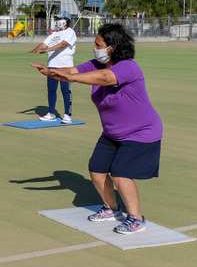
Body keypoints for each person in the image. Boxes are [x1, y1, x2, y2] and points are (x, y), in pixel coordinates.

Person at [32, 23, 162, 235]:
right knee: (97, 170)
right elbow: (72, 70)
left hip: (141, 131)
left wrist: (70, 78)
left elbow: (104, 79)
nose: (95, 47)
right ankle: (111, 209)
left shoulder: (128, 67)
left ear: (112, 47)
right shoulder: (95, 64)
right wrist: (51, 72)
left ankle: (136, 219)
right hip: (113, 132)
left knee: (121, 173)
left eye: (98, 44)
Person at [30, 11, 77, 123]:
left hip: (65, 67)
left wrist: (46, 50)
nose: (57, 21)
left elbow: (63, 45)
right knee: (51, 90)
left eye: (60, 19)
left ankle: (67, 115)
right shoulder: (54, 34)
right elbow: (44, 44)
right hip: (52, 66)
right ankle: (51, 113)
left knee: (65, 91)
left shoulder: (70, 32)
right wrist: (35, 50)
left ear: (65, 21)